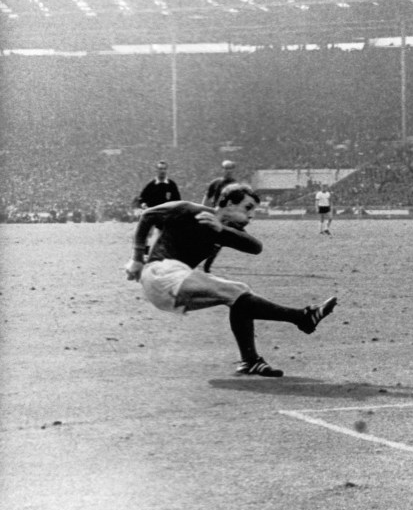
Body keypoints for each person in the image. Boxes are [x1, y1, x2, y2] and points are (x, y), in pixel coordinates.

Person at [124, 183, 337, 377]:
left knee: (239, 294)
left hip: (171, 288)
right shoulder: (190, 210)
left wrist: (221, 229)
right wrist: (136, 259)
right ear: (227, 203)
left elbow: (255, 247)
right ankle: (302, 317)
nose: (252, 215)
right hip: (161, 272)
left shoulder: (223, 230)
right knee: (235, 292)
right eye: (247, 207)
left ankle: (250, 361)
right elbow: (149, 215)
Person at [200, 160, 238, 273]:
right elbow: (207, 197)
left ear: (234, 170)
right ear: (222, 170)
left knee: (218, 242)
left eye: (230, 168)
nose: (228, 171)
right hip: (215, 213)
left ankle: (207, 266)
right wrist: (202, 209)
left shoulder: (236, 186)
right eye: (226, 168)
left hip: (227, 217)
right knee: (206, 239)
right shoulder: (216, 183)